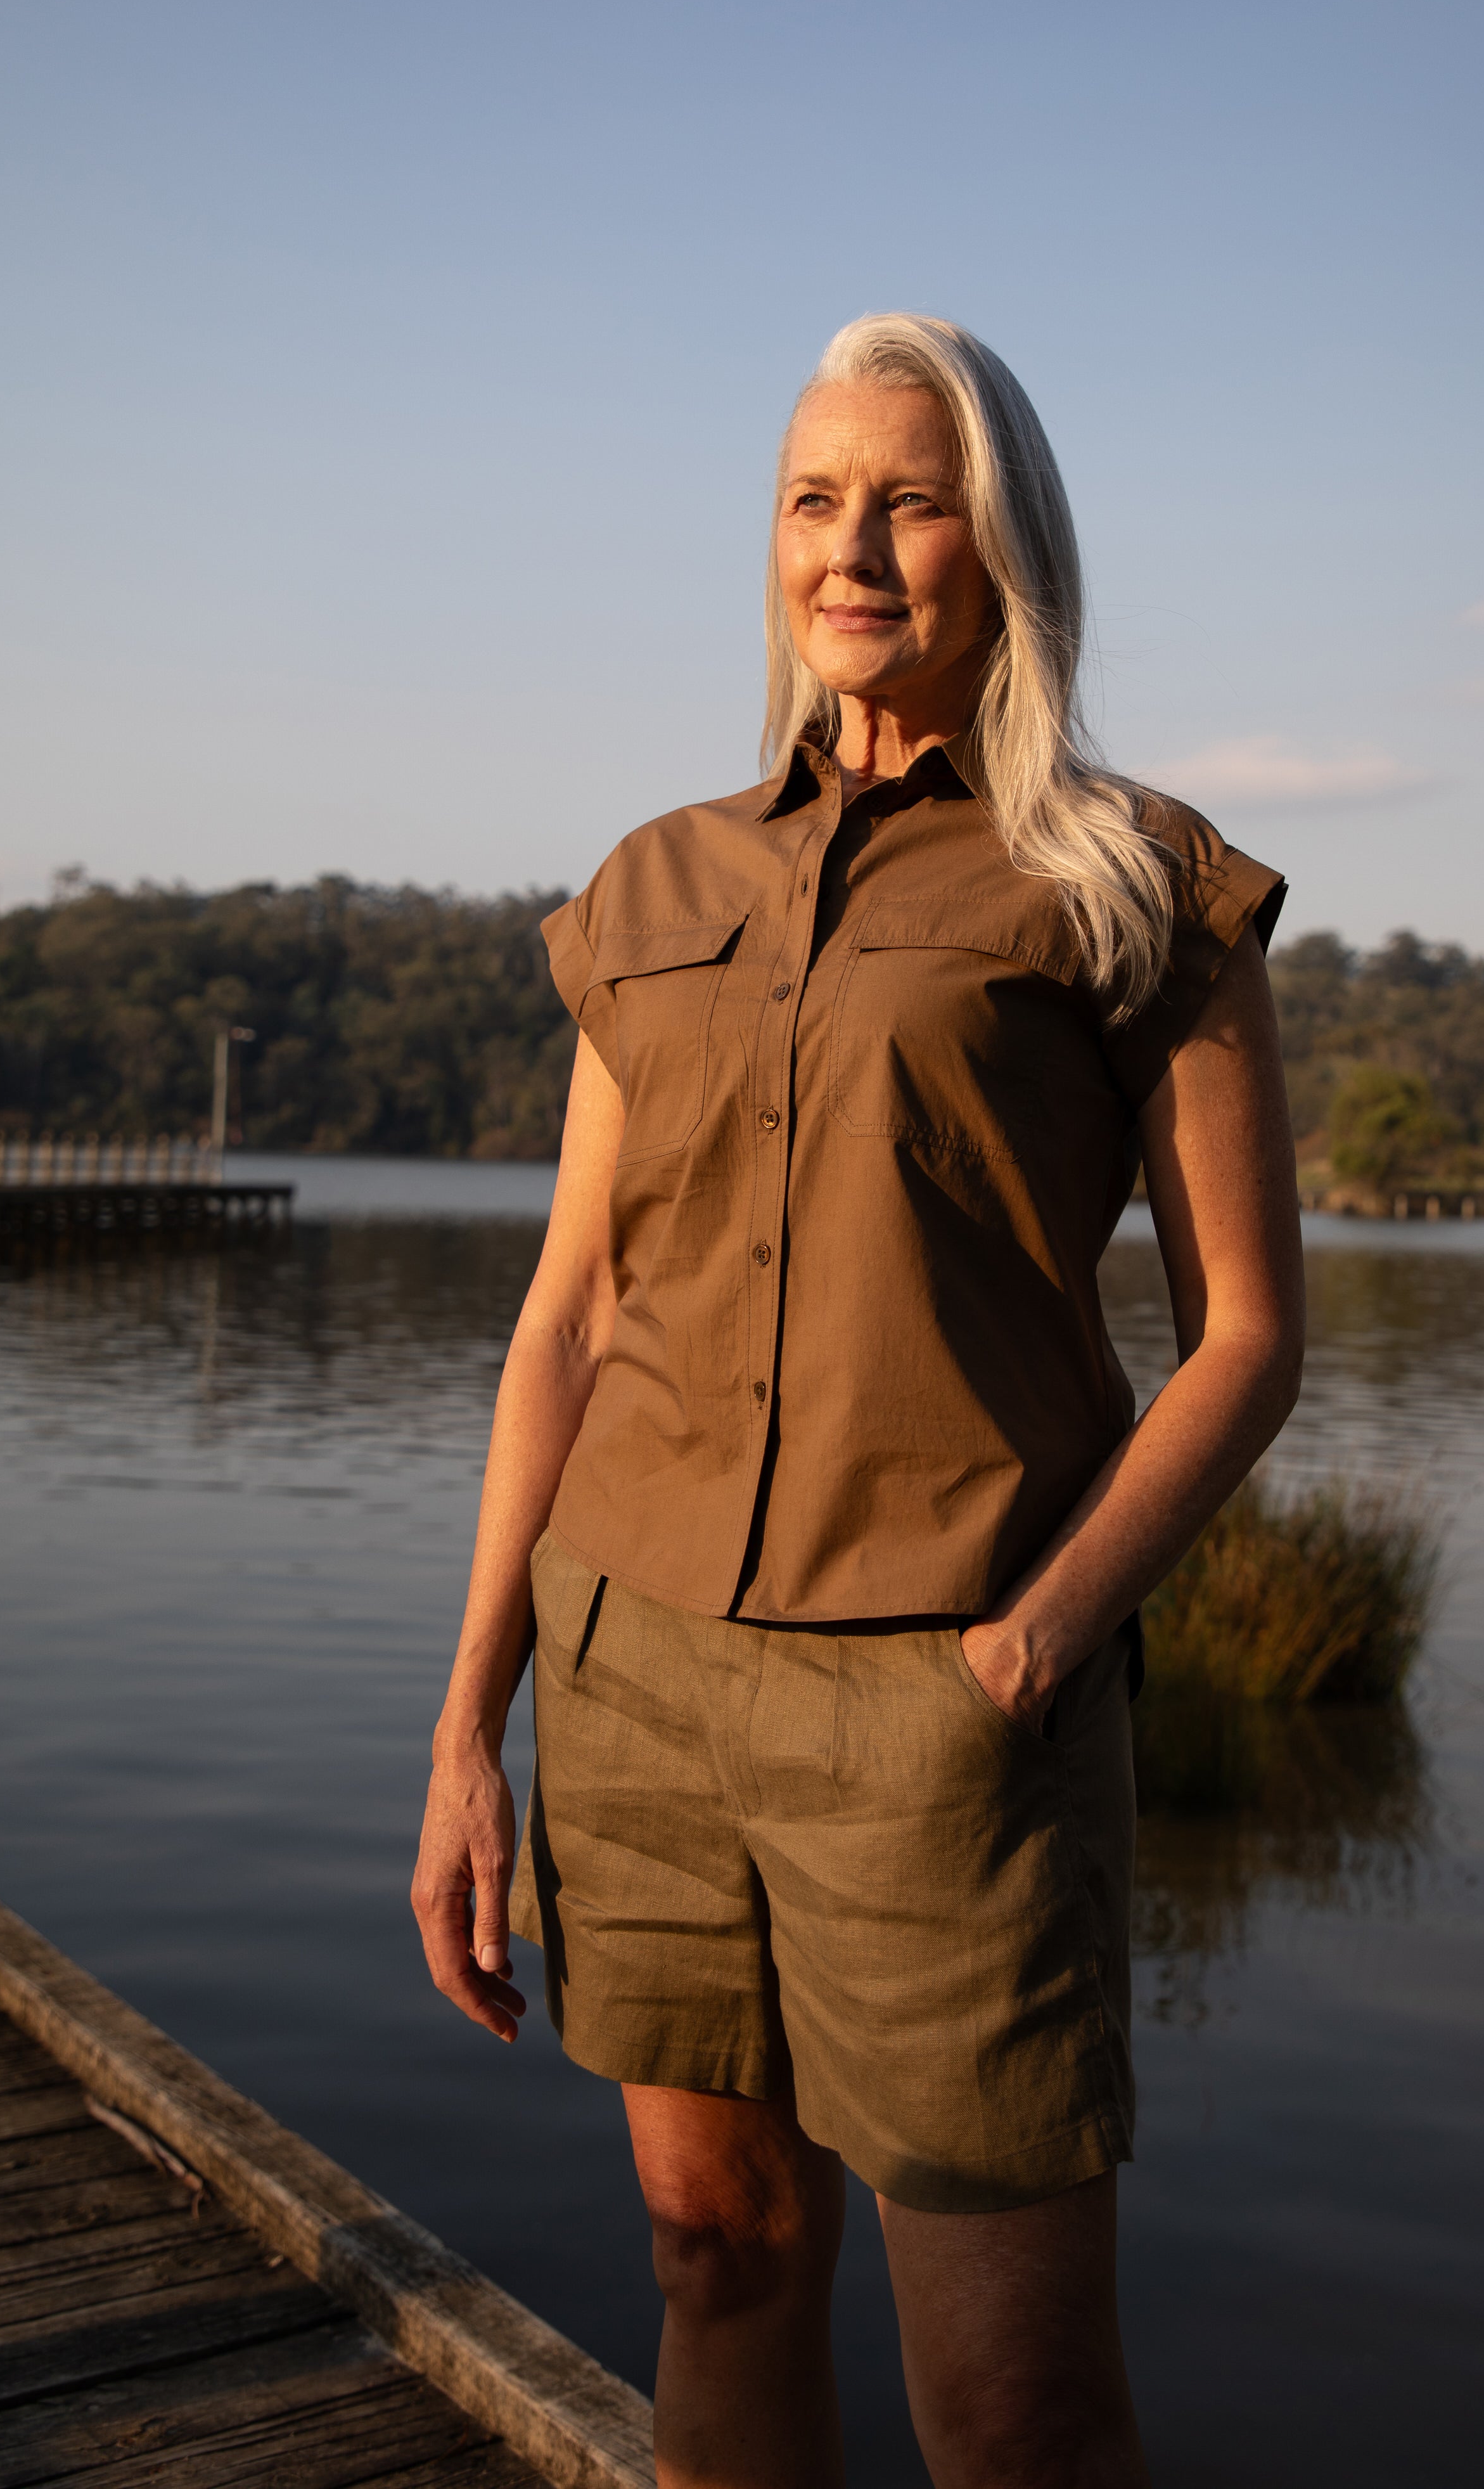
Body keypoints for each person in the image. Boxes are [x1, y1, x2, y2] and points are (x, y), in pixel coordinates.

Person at [413, 313, 1304, 2489]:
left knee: (1015, 2404)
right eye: (817, 498)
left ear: (1002, 550)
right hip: (639, 1684)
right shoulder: (656, 890)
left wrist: (1032, 1643)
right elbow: (567, 1322)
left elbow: (1252, 1336)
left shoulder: (1130, 884)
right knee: (715, 2255)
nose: (858, 545)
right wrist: (468, 1723)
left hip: (946, 1705)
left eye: (911, 499)